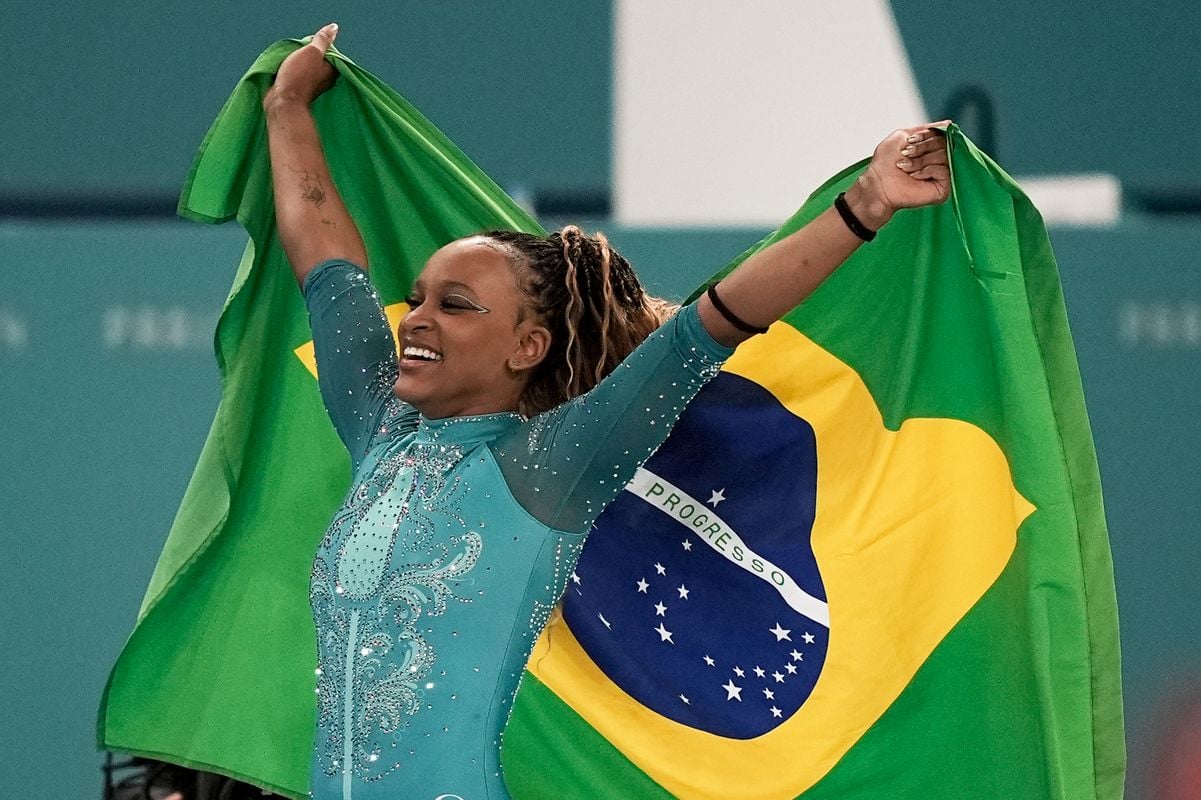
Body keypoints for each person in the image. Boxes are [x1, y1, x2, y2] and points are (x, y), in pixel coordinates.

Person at [264, 22, 950, 800]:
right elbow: (324, 257)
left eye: (454, 306)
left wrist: (864, 203)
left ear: (526, 347)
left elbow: (709, 326)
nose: (415, 319)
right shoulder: (377, 426)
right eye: (417, 298)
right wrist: (288, 103)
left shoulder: (544, 470)